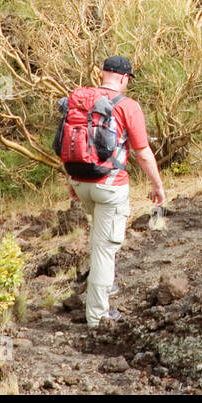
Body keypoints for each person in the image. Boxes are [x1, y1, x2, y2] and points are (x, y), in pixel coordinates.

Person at [62, 56, 165, 330]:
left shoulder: (80, 98)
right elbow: (142, 153)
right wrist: (157, 186)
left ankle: (100, 290)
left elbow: (66, 141)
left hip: (81, 182)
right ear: (124, 78)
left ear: (102, 74)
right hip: (110, 185)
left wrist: (72, 181)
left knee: (99, 240)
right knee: (105, 250)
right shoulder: (127, 106)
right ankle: (98, 318)